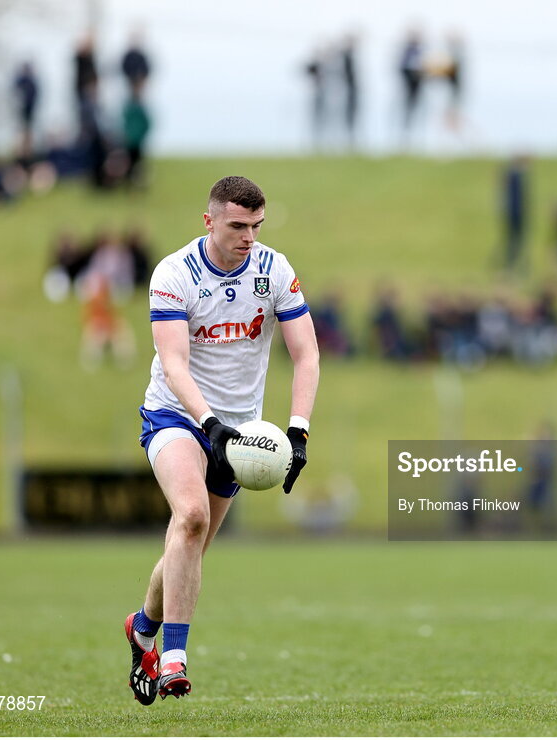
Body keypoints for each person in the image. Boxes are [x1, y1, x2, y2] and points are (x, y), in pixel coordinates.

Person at [125, 176, 320, 703]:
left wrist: (297, 430)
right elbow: (174, 362)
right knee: (190, 517)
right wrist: (209, 424)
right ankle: (173, 658)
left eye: (256, 226)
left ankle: (142, 627)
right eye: (237, 225)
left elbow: (306, 353)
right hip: (177, 416)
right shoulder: (174, 274)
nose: (249, 236)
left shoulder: (274, 270)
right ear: (208, 221)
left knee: (189, 548)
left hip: (241, 433)